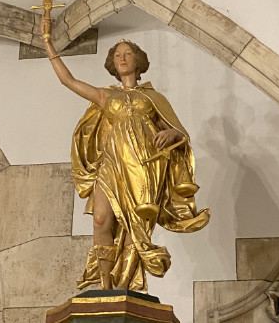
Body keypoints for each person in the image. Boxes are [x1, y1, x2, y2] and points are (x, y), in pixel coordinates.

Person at [41, 17, 210, 291]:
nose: (122, 58)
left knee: (136, 229)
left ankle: (122, 289)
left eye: (128, 54)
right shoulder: (105, 95)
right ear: (112, 64)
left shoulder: (153, 98)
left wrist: (171, 133)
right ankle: (105, 282)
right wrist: (48, 44)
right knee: (100, 219)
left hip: (145, 168)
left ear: (137, 61)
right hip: (112, 165)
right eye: (117, 55)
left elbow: (180, 133)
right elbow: (67, 80)